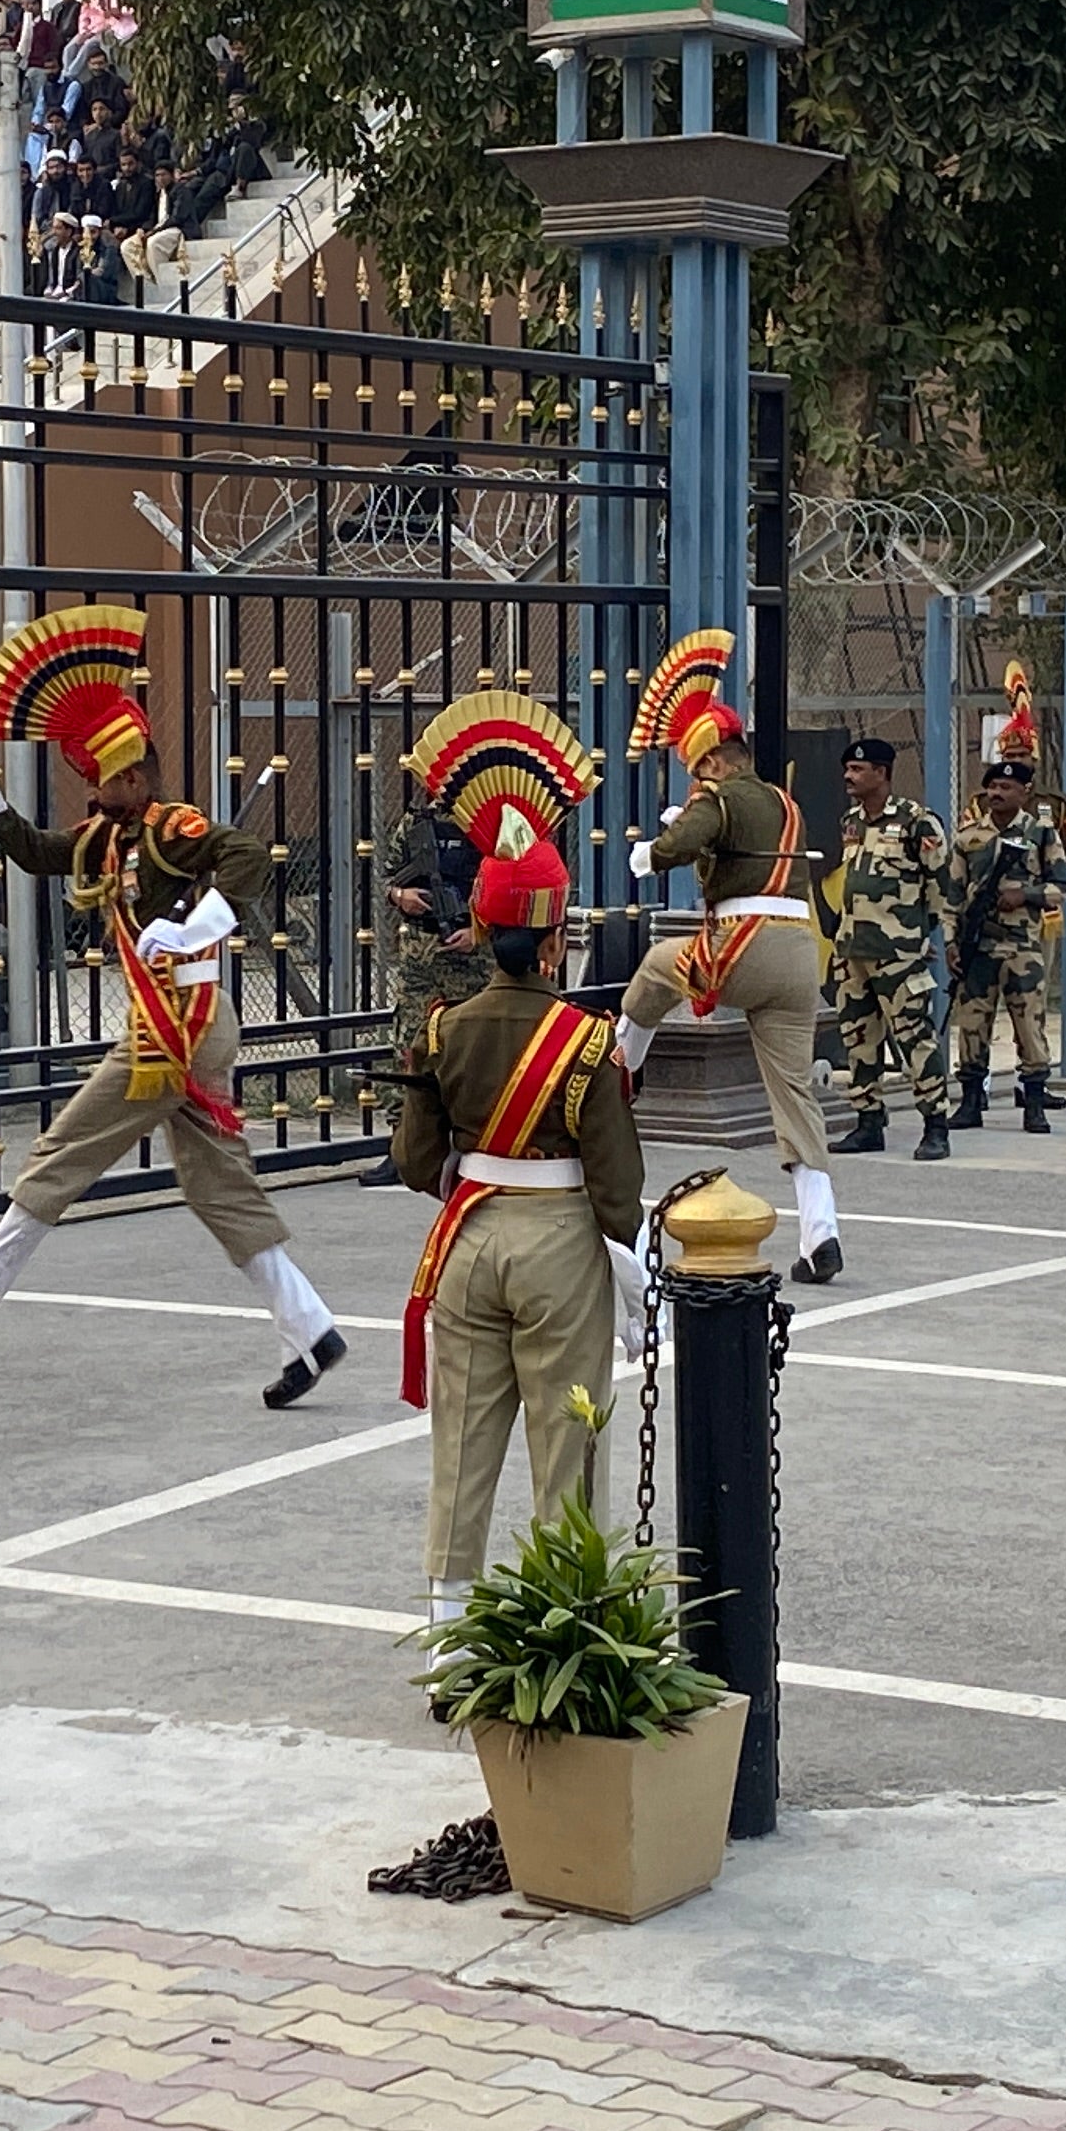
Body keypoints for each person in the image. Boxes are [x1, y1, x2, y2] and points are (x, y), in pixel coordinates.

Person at [0, 605, 349, 1405]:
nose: (90, 788)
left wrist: (192, 924)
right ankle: (310, 1331)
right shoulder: (108, 839)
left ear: (134, 774)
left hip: (177, 1030)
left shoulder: (171, 829)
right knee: (220, 1189)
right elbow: (39, 852)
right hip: (177, 1029)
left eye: (99, 776)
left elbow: (244, 854)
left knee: (68, 1143)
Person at [390, 697, 627, 1628]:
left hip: (467, 1239)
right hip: (560, 1241)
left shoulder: (444, 1026)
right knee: (565, 1442)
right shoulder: (585, 1038)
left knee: (462, 1442)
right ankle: (567, 1622)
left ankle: (449, 1639)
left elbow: (416, 1159)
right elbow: (617, 1186)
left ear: (483, 930)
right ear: (558, 932)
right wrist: (632, 1259)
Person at [615, 629, 842, 1282]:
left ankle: (620, 1076)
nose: (695, 780)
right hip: (800, 955)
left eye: (696, 769)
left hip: (744, 946)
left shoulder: (720, 795)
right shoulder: (782, 801)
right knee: (794, 1094)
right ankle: (820, 1234)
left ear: (713, 759)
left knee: (659, 966)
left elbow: (700, 830)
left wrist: (651, 854)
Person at [828, 734, 960, 1162]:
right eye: (847, 769)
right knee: (858, 1039)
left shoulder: (918, 823)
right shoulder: (850, 822)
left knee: (914, 1039)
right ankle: (868, 1122)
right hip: (852, 952)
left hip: (898, 954)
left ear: (881, 774)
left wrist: (929, 936)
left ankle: (935, 1125)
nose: (849, 776)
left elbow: (941, 887)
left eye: (858, 770)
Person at [949, 676, 1066, 1135]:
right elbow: (953, 895)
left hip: (1021, 945)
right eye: (993, 784)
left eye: (1007, 785)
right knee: (972, 1025)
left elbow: (1063, 886)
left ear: (1025, 791)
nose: (997, 792)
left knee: (1029, 1026)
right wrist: (952, 942)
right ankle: (970, 1100)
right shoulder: (968, 835)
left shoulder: (1042, 829)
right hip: (978, 947)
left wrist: (1028, 895)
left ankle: (1034, 1102)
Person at [376, 755, 487, 1161]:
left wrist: (481, 931)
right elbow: (387, 875)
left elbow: (516, 887)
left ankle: (474, 1142)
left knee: (473, 1049)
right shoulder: (420, 821)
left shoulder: (491, 823)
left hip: (474, 960)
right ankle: (403, 1148)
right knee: (409, 1045)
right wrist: (399, 895)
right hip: (420, 956)